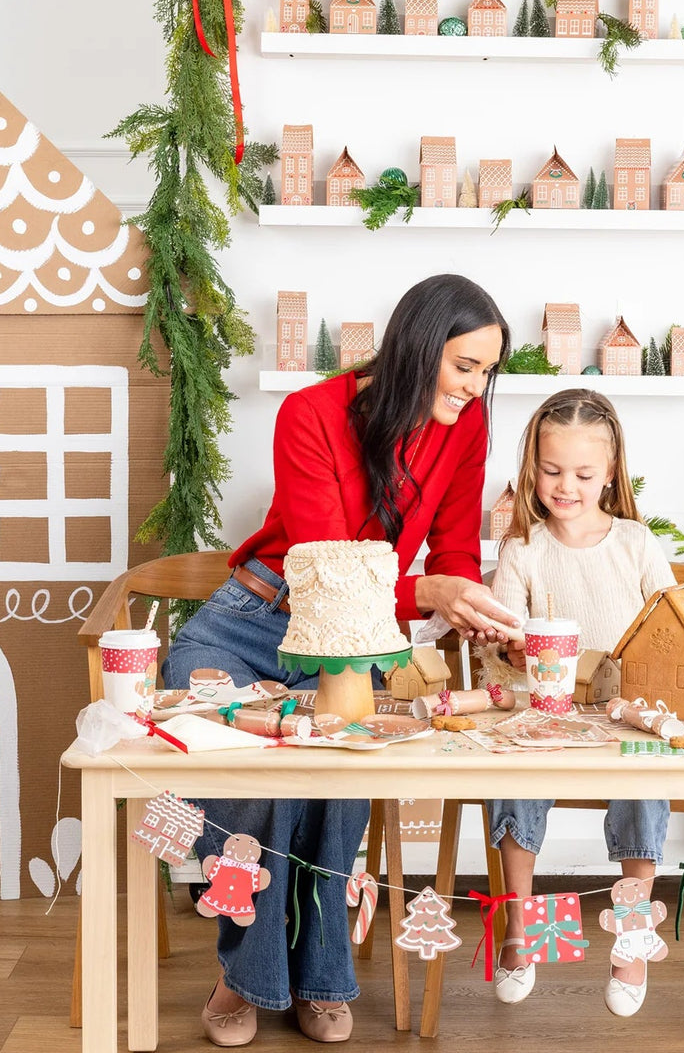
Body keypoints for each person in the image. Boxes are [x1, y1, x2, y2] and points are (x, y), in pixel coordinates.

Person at [162, 274, 520, 1047]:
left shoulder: (463, 428)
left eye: (487, 371)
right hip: (251, 626)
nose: (475, 387)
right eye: (465, 366)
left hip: (356, 639)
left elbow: (455, 545)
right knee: (256, 782)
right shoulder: (312, 413)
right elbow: (325, 565)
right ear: (418, 348)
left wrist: (468, 605)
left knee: (340, 776)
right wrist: (429, 588)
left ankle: (320, 980)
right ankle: (247, 976)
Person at [478, 389, 676, 1018]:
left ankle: (632, 933)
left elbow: (673, 628)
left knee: (645, 776)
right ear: (531, 467)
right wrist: (510, 650)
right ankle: (522, 928)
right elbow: (500, 641)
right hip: (546, 713)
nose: (566, 486)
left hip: (626, 716)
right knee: (514, 771)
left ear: (610, 474)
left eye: (584, 474)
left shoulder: (636, 543)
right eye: (551, 470)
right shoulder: (522, 548)